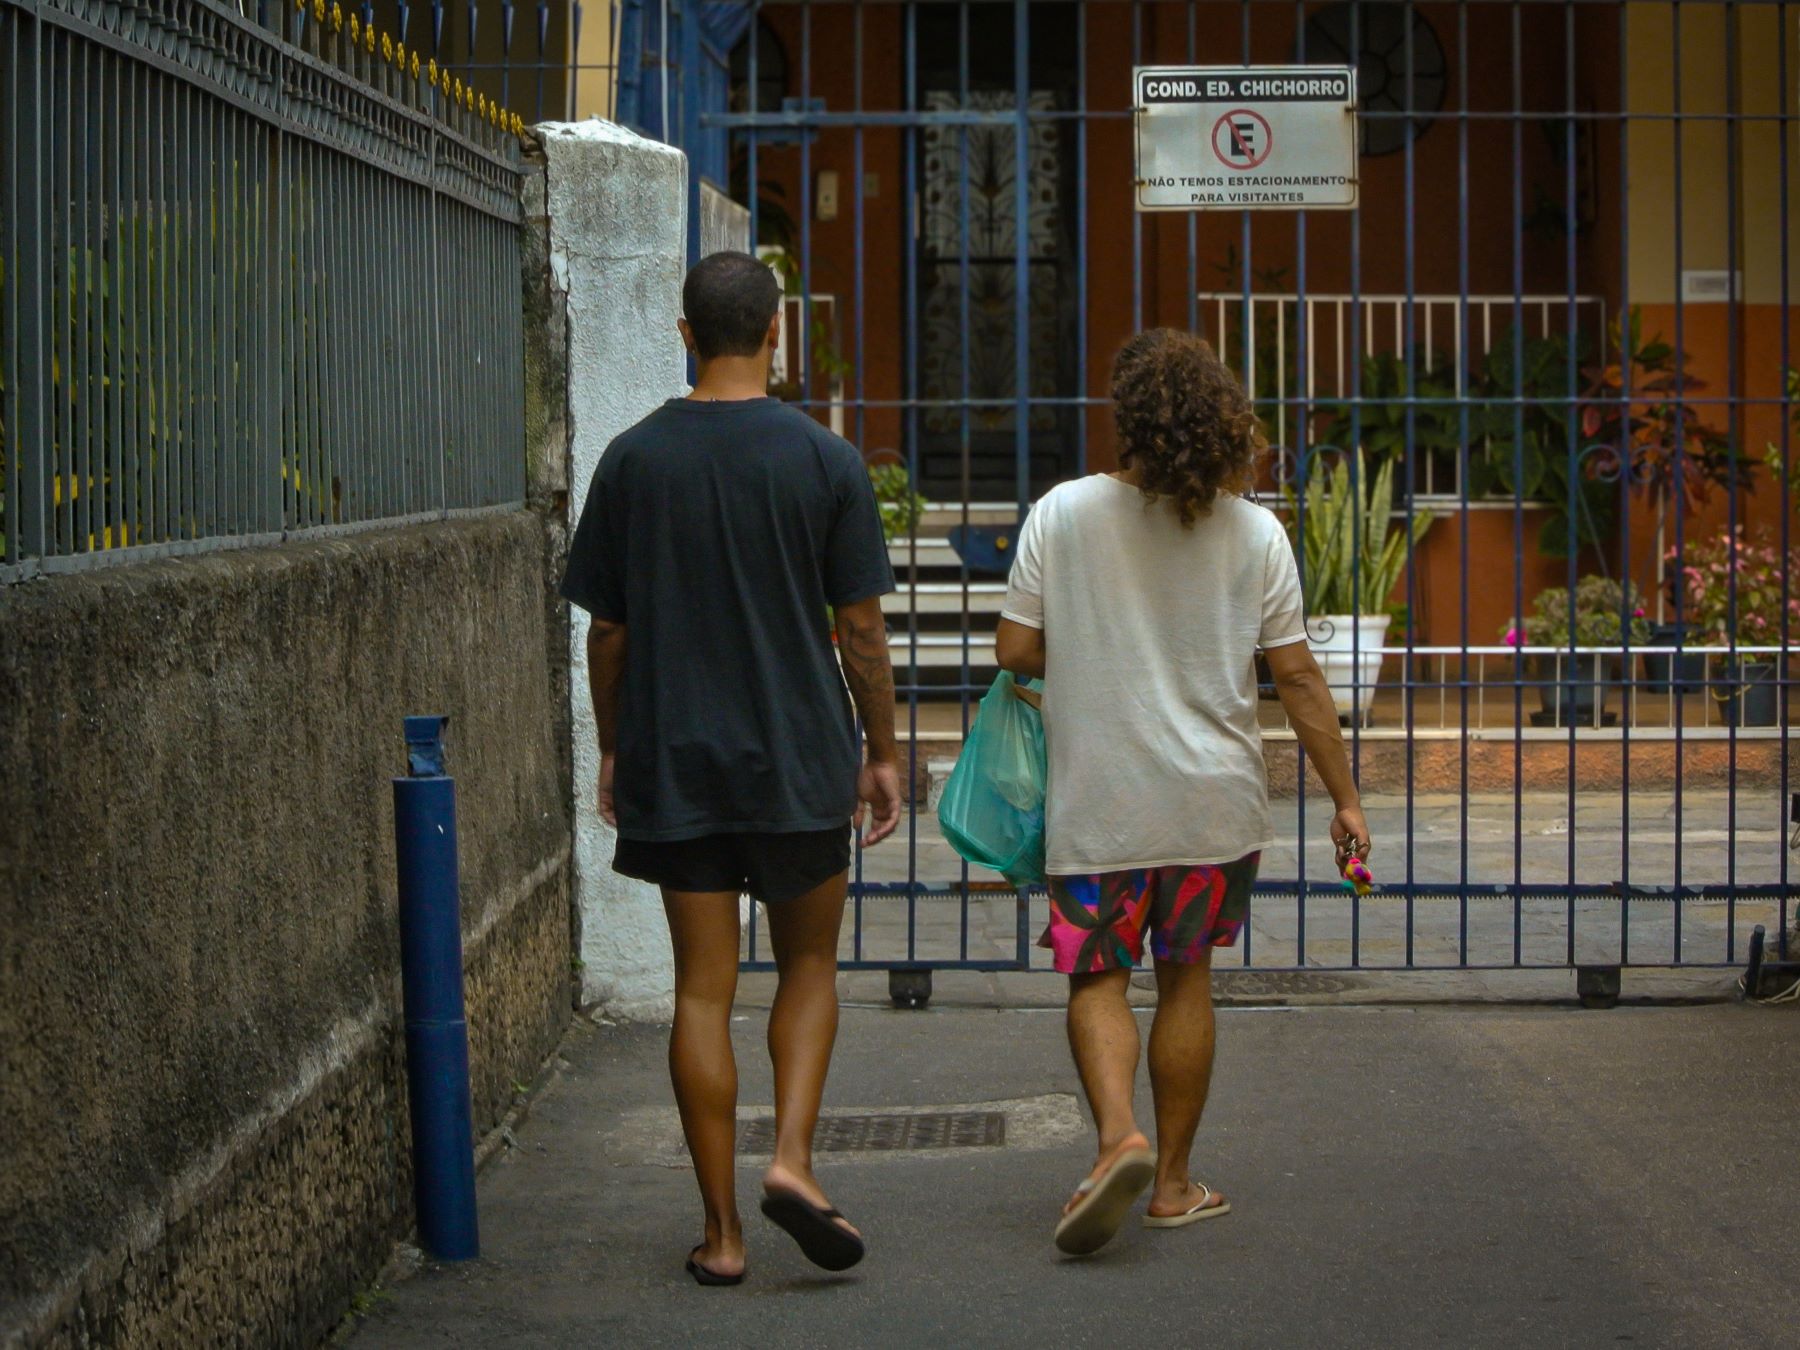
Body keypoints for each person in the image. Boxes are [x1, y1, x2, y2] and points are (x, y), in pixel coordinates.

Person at [560, 251, 902, 1285]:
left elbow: (608, 631)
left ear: (685, 334)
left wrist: (615, 743)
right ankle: (792, 1160)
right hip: (800, 754)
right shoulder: (825, 460)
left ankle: (720, 1235)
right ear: (775, 330)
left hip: (679, 755)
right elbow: (861, 631)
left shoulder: (632, 460)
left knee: (703, 993)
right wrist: (883, 753)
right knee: (809, 966)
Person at [995, 328, 1371, 1257]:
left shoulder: (1062, 514)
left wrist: (1097, 645)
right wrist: (1346, 799)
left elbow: (1015, 649)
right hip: (1212, 805)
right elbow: (1299, 678)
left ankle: (1116, 1139)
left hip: (1100, 799)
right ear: (1221, 419)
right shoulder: (1256, 532)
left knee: (1098, 976)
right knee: (1186, 976)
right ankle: (1170, 1184)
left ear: (1126, 416)